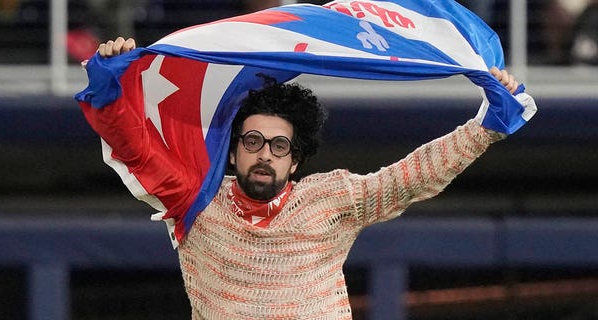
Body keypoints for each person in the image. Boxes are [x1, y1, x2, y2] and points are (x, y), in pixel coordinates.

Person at [89, 36, 530, 319]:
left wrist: (486, 127)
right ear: (234, 148)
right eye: (253, 141)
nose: (264, 155)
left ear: (295, 160)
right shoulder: (193, 201)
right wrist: (113, 88)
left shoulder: (333, 198)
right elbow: (135, 148)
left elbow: (410, 178)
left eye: (279, 146)